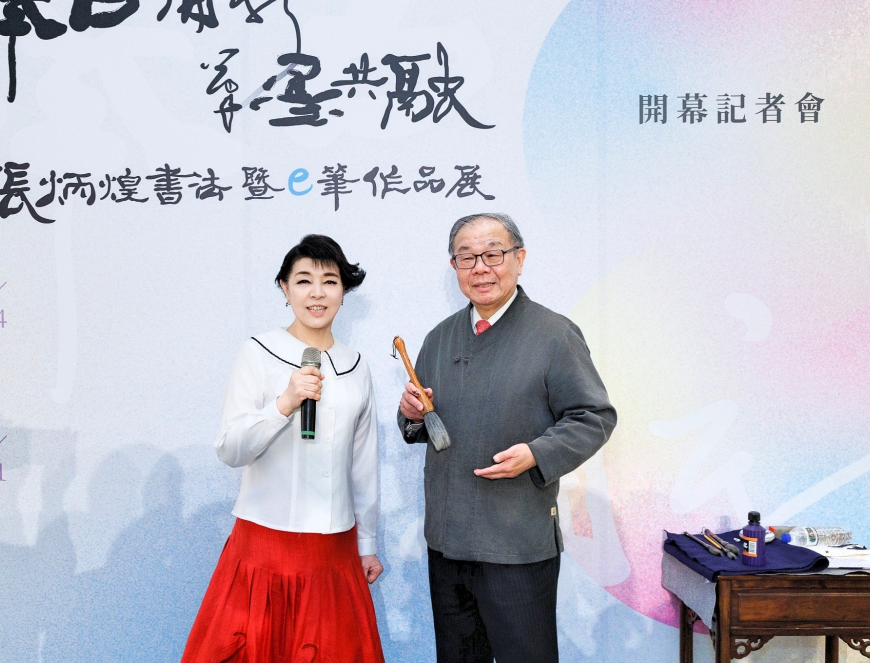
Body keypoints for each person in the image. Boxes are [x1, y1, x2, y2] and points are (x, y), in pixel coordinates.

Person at [397, 213, 616, 663]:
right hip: (447, 541)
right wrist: (412, 414)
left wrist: (537, 453)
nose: (480, 268)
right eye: (466, 258)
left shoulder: (554, 334)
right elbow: (423, 423)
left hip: (516, 543)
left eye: (493, 254)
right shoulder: (439, 338)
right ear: (454, 266)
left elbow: (593, 416)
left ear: (519, 258)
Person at [181, 234, 384, 663]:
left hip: (334, 553)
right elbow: (230, 449)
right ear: (285, 288)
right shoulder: (258, 352)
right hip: (264, 550)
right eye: (304, 280)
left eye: (330, 281)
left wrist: (366, 543)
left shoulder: (356, 365)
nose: (317, 293)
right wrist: (284, 404)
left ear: (343, 291)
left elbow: (363, 464)